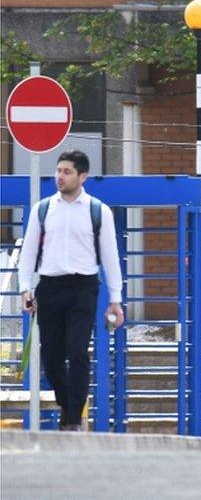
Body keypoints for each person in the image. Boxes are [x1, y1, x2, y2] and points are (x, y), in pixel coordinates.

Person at [17, 150, 125, 432]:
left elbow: (111, 257)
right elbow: (28, 252)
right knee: (51, 358)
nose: (59, 176)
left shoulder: (98, 211)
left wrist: (115, 300)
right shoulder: (43, 209)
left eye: (66, 172)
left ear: (82, 176)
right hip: (50, 287)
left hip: (83, 287)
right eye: (58, 171)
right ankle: (67, 404)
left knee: (77, 350)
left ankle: (74, 419)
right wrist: (25, 288)